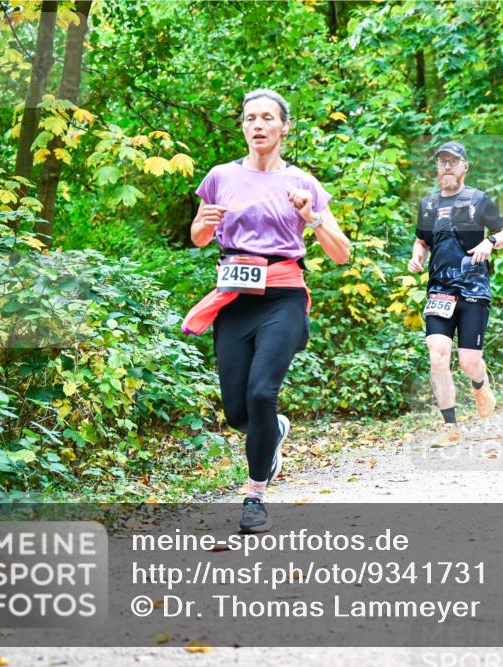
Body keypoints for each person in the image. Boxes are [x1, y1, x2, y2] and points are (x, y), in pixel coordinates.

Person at [182, 89, 350, 532]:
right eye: (250, 118)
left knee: (261, 393)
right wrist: (203, 225)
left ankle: (255, 495)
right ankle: (271, 430)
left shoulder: (303, 184)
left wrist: (311, 216)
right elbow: (199, 236)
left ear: (284, 127)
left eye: (267, 118)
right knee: (239, 413)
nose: (257, 125)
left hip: (283, 295)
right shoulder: (220, 176)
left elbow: (341, 254)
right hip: (235, 299)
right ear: (242, 126)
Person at [408, 141, 503, 447]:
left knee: (468, 363)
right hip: (440, 290)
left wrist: (489, 242)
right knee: (438, 355)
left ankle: (480, 386)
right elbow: (421, 241)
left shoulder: (479, 201)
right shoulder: (428, 205)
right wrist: (417, 256)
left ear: (465, 166)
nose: (447, 167)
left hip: (473, 290)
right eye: (442, 162)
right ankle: (450, 426)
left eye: (453, 161)